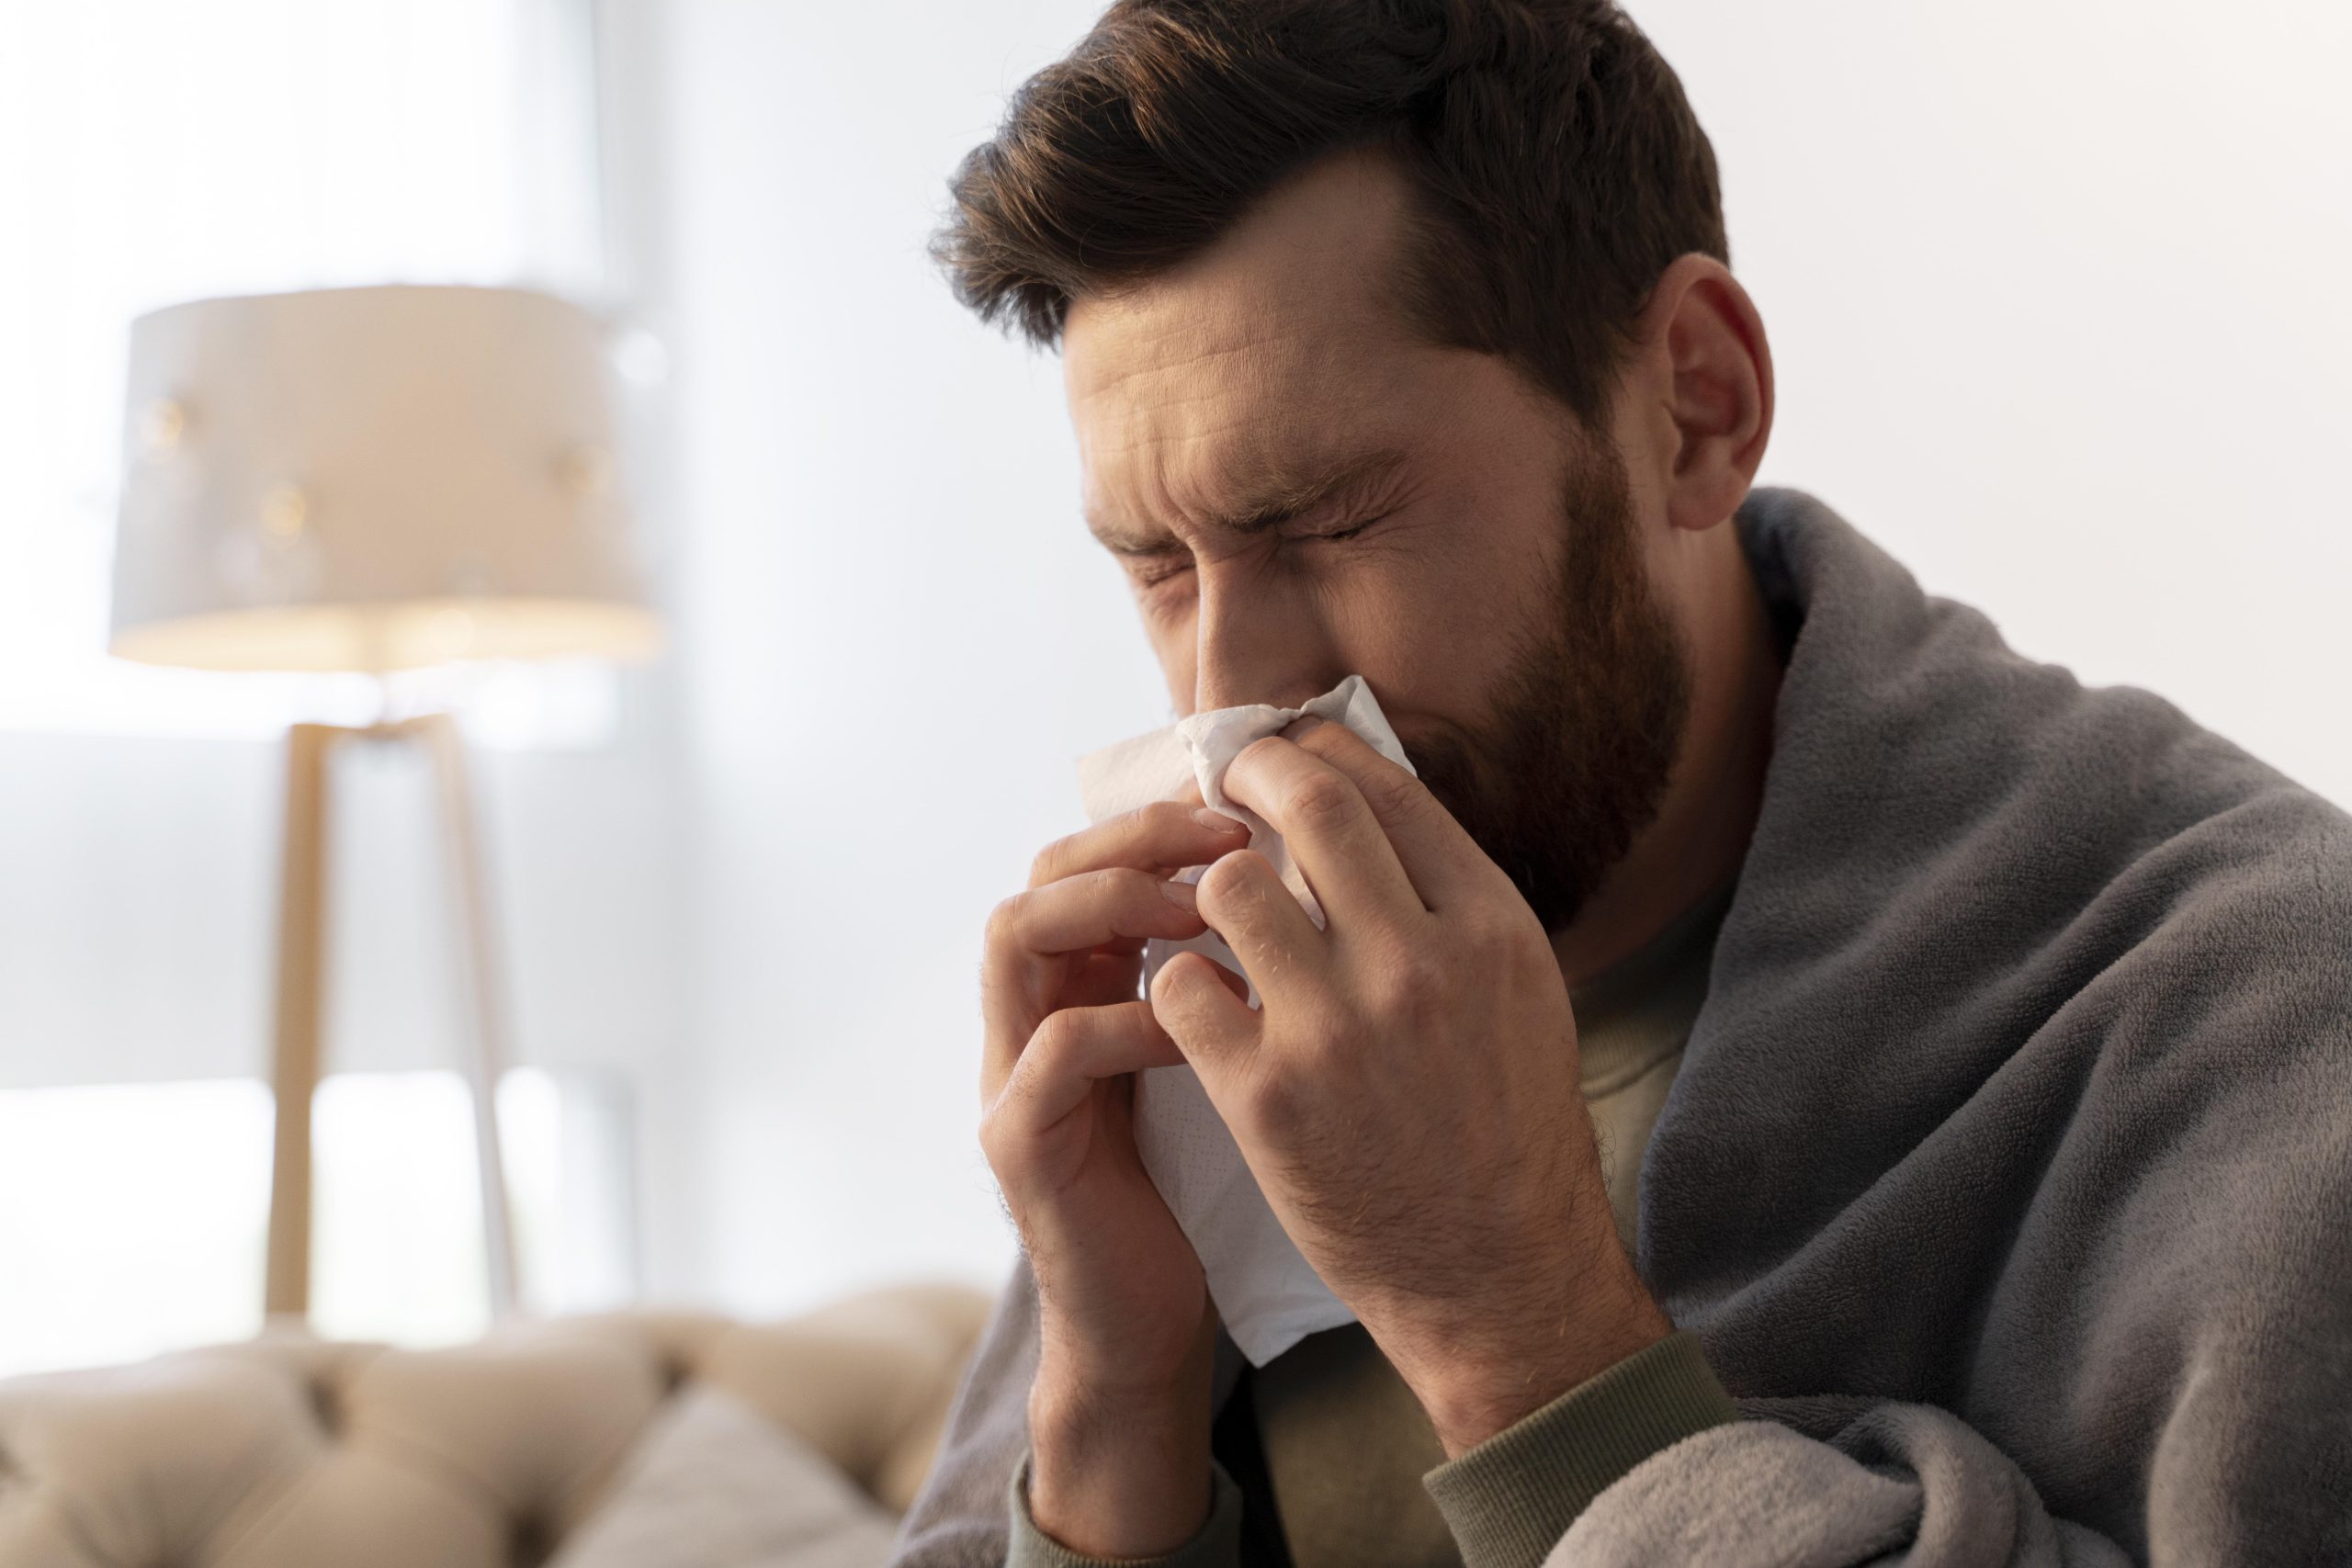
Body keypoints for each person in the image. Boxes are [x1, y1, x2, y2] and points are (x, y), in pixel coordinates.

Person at [891, 4, 2352, 1565]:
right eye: (1158, 564)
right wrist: (1113, 1401)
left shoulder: (2264, 1015)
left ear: (1695, 407)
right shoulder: (1226, 1018)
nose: (1226, 694)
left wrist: (1518, 1337)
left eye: (1327, 521)